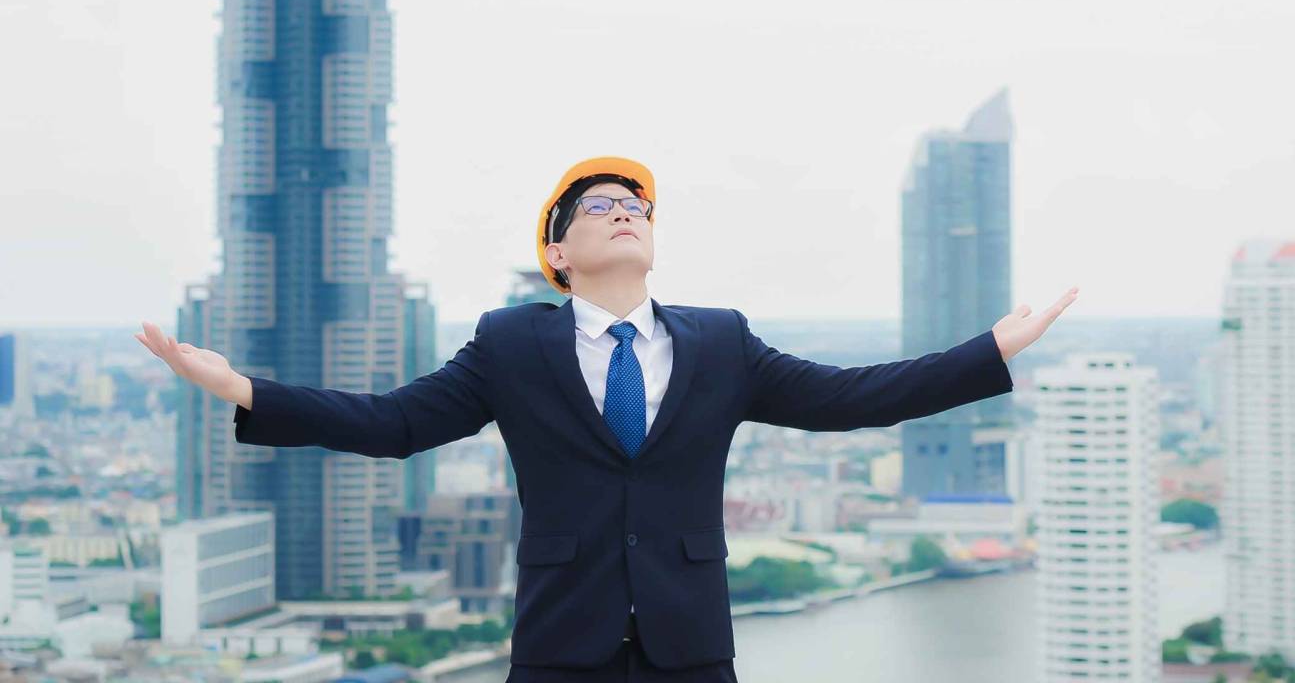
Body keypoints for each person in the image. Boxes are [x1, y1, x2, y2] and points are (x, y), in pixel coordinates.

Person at [136, 155, 1077, 682]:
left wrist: (988, 352)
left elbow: (851, 400)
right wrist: (247, 391)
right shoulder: (510, 345)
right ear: (559, 251)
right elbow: (395, 425)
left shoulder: (721, 341)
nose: (625, 212)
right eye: (601, 205)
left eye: (637, 205)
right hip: (559, 650)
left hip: (691, 644)